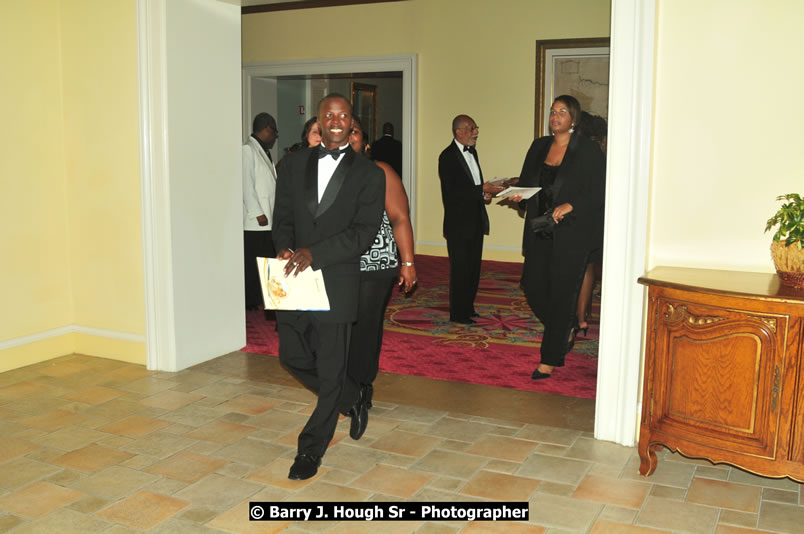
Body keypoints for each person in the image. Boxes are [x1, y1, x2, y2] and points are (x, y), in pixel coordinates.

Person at [272, 94, 385, 480]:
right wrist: (285, 246)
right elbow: (282, 215)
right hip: (293, 279)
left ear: (352, 123)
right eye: (329, 115)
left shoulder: (370, 174)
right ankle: (352, 397)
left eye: (344, 116)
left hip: (336, 278)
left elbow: (364, 234)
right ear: (319, 122)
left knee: (332, 366)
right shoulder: (292, 163)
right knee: (291, 355)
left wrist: (314, 253)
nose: (336, 121)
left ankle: (310, 451)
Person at [513, 95, 605, 380]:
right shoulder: (539, 146)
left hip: (572, 233)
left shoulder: (587, 150)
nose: (555, 116)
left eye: (562, 112)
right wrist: (519, 197)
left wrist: (571, 205)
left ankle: (549, 359)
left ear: (573, 119)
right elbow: (528, 183)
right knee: (533, 285)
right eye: (553, 112)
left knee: (564, 292)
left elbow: (599, 190)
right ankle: (564, 326)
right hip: (540, 228)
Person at [347, 117, 417, 409]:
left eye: (355, 132)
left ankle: (361, 386)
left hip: (376, 263)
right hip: (335, 262)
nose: (348, 136)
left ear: (366, 142)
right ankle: (342, 383)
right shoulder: (321, 172)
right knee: (337, 326)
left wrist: (408, 262)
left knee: (364, 325)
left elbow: (400, 218)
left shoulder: (381, 172)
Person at [438, 114, 503, 324]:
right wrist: (480, 188)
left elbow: (472, 184)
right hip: (458, 223)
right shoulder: (446, 157)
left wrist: (483, 192)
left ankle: (468, 307)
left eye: (476, 128)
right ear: (459, 132)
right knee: (460, 269)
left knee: (474, 268)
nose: (475, 132)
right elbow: (452, 192)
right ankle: (458, 314)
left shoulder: (472, 152)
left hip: (475, 219)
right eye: (471, 128)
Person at [574, 112, 608, 331]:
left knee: (579, 268)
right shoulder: (602, 156)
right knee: (588, 267)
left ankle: (577, 315)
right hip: (598, 216)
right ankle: (583, 315)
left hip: (580, 216)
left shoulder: (579, 154)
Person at [242, 112, 279, 311]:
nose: (275, 137)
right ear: (267, 129)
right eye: (274, 132)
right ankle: (251, 300)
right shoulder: (247, 150)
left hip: (267, 217)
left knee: (265, 259)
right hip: (255, 220)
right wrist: (257, 212)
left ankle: (260, 298)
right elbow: (246, 185)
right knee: (254, 261)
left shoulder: (262, 150)